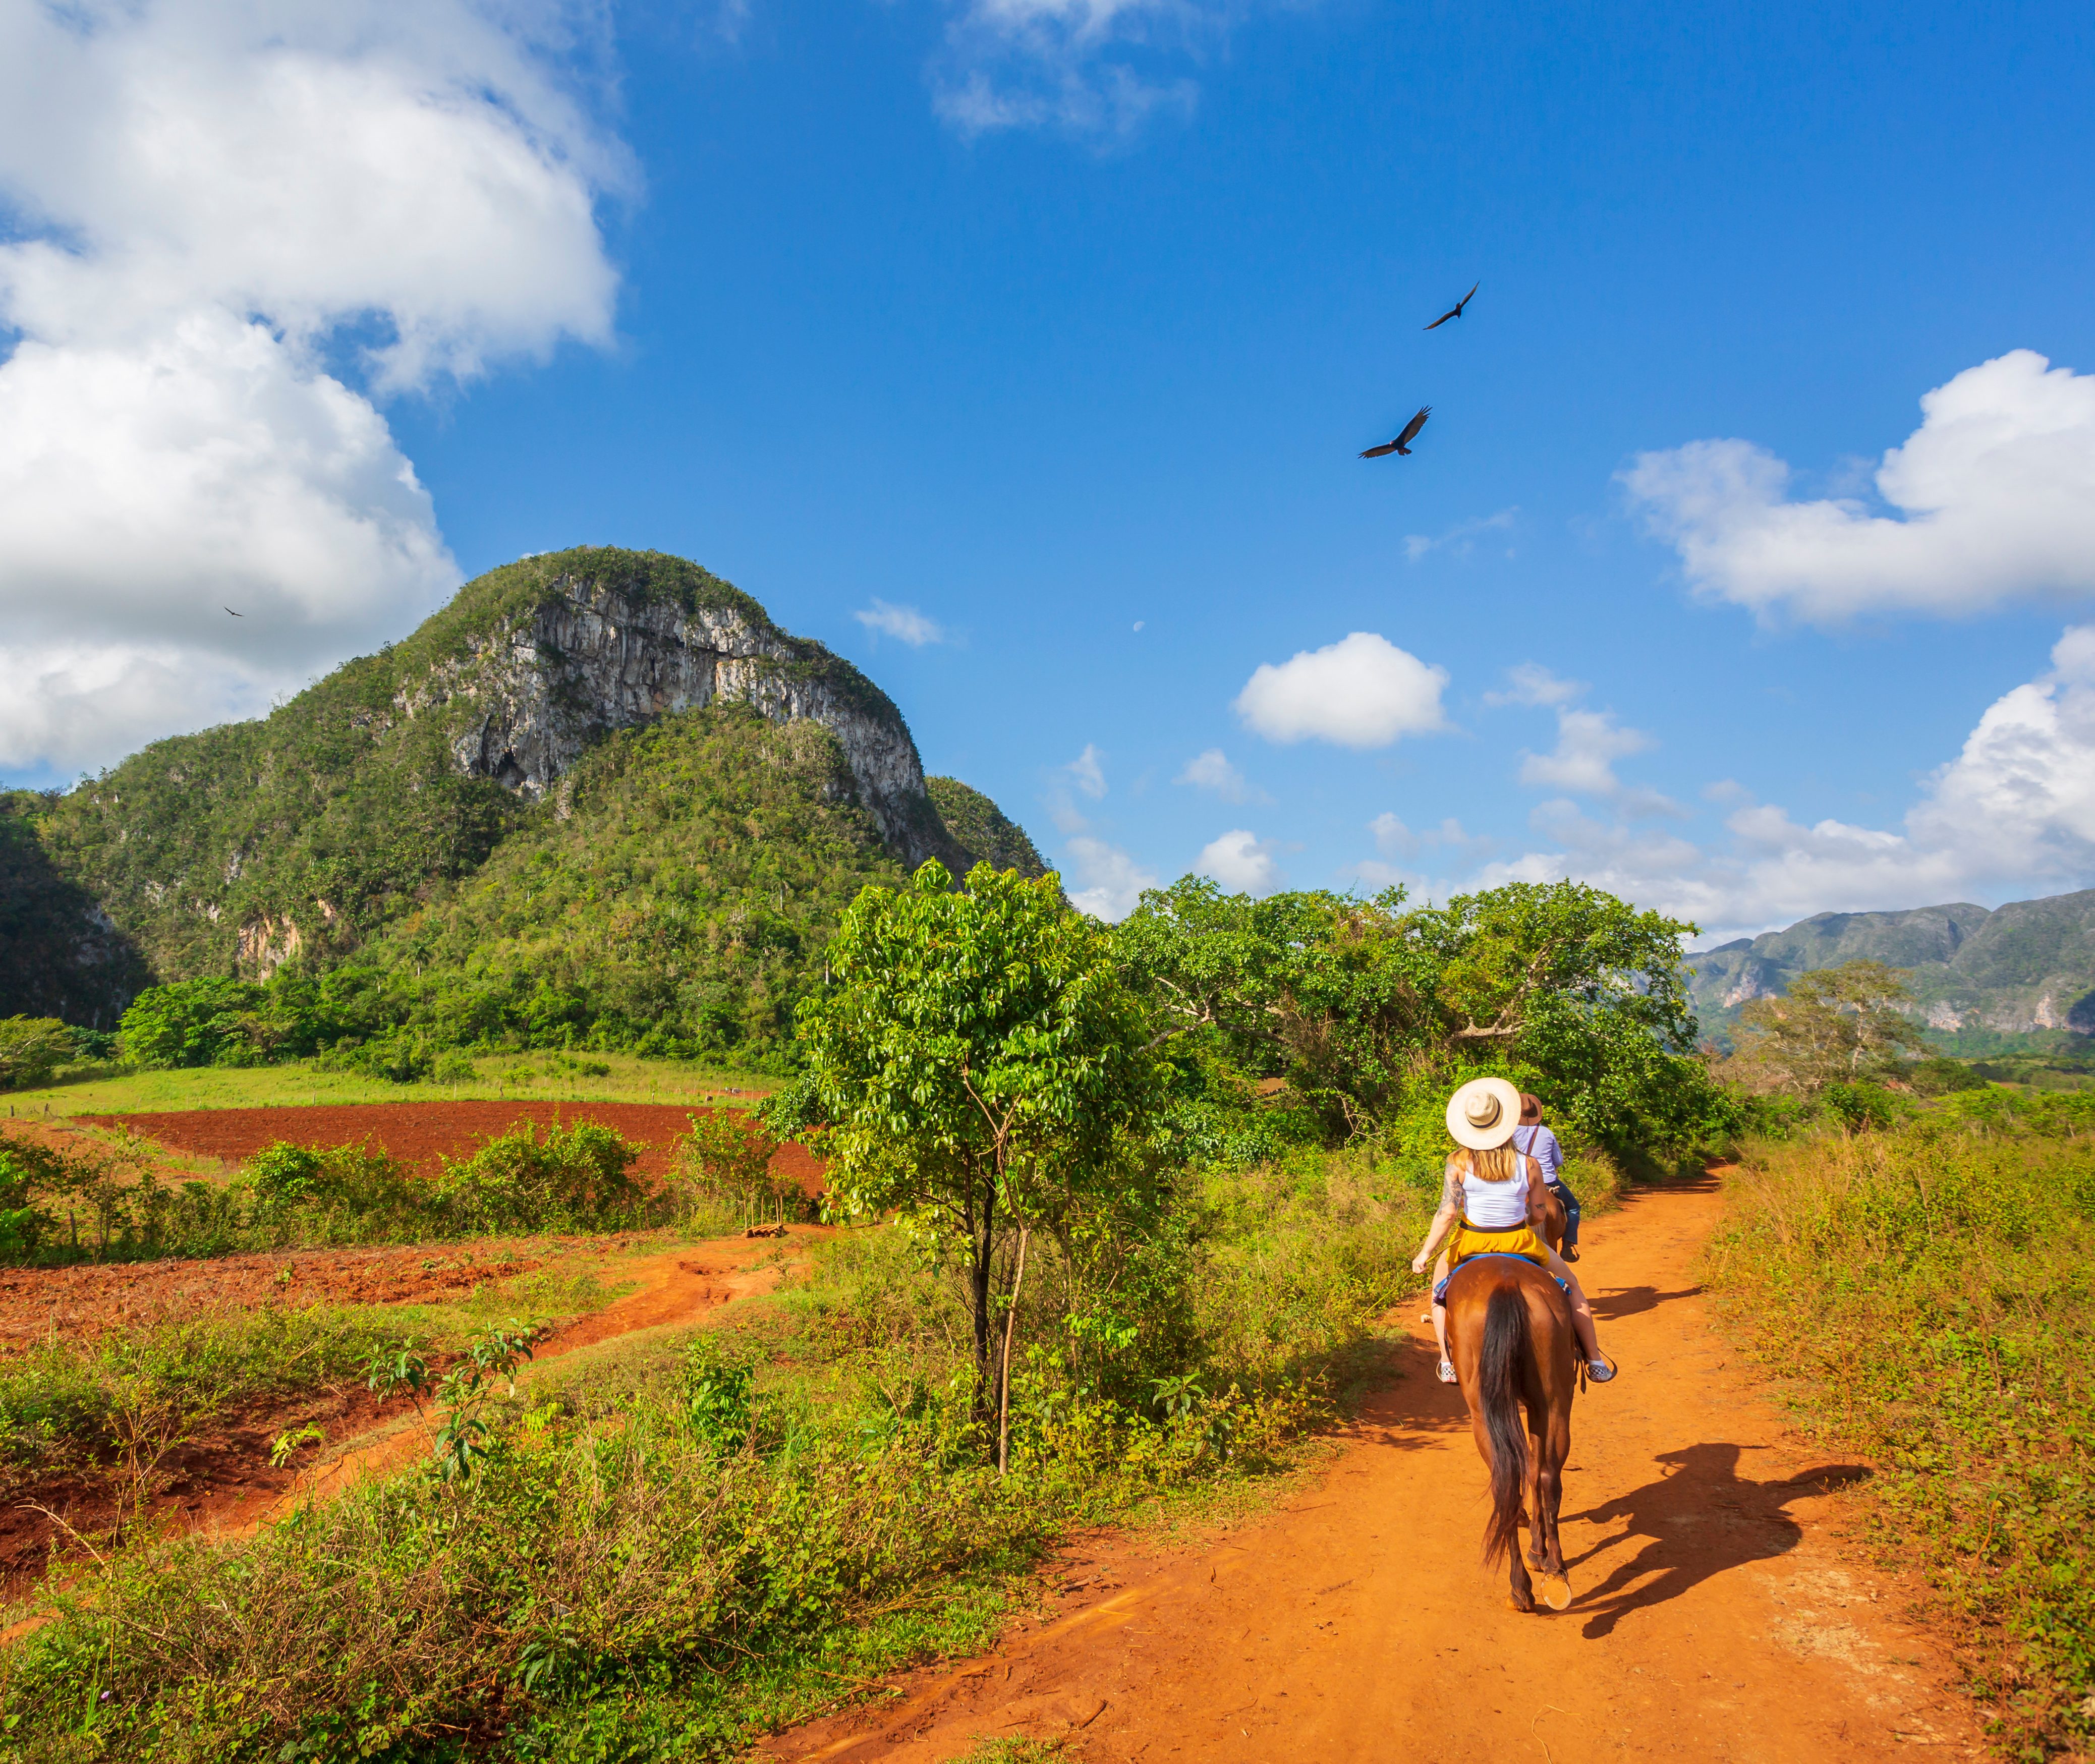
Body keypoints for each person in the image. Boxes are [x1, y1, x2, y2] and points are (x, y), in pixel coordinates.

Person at [1410, 1075, 1616, 1387]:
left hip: (1470, 1241)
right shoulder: (1530, 1164)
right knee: (1572, 1286)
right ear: (1504, 1122)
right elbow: (1537, 1214)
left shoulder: (1457, 1163)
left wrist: (1425, 1253)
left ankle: (1446, 1360)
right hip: (1519, 1240)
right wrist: (1529, 1215)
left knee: (1439, 1294)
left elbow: (1448, 1213)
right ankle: (1595, 1360)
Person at [1514, 1091, 1580, 1262]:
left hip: (1519, 1181)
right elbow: (1558, 1161)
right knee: (1574, 1208)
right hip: (1547, 1180)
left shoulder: (1510, 1133)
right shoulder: (1547, 1133)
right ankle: (1568, 1245)